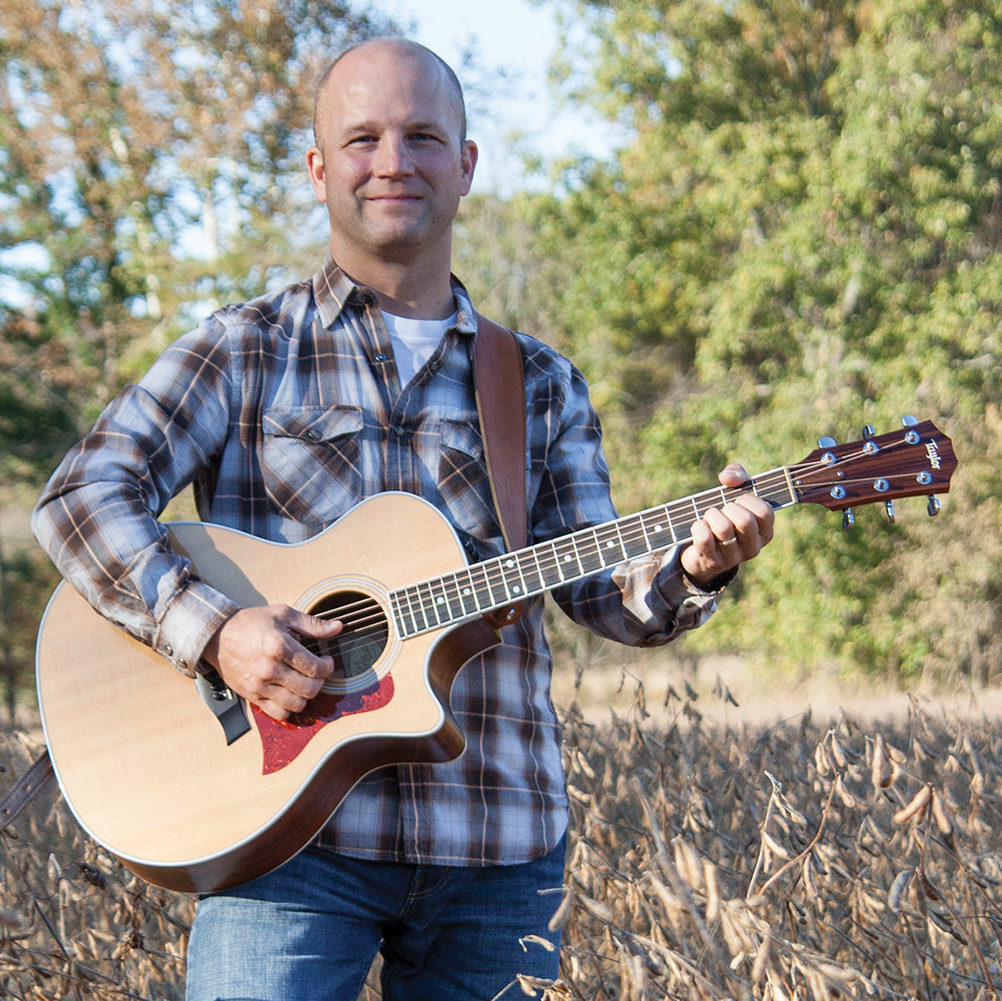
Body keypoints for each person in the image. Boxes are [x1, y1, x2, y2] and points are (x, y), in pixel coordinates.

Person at [31, 37, 775, 1001]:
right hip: (284, 841)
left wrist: (698, 566)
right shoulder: (244, 349)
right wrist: (216, 633)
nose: (393, 160)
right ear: (318, 168)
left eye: (424, 136)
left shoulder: (537, 382)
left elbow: (606, 593)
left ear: (465, 165)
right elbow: (81, 495)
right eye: (363, 138)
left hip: (497, 844)